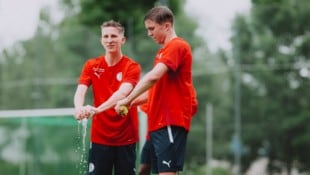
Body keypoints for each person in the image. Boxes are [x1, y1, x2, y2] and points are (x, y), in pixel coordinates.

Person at [115, 6, 198, 175]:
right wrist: (125, 103)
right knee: (147, 169)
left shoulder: (177, 46)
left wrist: (128, 99)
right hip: (158, 123)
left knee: (166, 172)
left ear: (166, 26)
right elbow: (152, 92)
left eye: (152, 29)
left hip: (169, 121)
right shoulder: (163, 52)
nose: (149, 34)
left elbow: (152, 78)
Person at [73, 20, 141, 175]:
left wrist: (97, 110)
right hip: (100, 138)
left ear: (122, 40)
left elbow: (122, 93)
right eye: (106, 36)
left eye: (114, 36)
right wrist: (78, 108)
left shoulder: (132, 67)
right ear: (101, 40)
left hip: (126, 138)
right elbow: (80, 91)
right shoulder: (91, 65)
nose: (109, 40)